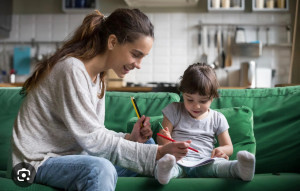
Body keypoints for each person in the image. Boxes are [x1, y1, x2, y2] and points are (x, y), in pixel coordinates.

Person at [11, 8, 191, 191]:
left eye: (142, 58)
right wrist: (157, 152)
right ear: (112, 41)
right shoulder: (71, 69)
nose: (138, 65)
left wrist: (131, 138)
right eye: (135, 54)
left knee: (147, 146)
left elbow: (94, 133)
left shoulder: (98, 78)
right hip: (33, 164)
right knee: (100, 169)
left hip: (74, 157)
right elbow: (93, 140)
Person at [155, 63, 256, 184]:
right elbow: (161, 139)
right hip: (178, 160)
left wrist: (221, 150)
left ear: (212, 98)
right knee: (167, 163)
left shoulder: (217, 118)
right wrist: (166, 140)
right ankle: (164, 173)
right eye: (190, 99)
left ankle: (240, 169)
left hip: (205, 162)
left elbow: (229, 147)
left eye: (203, 101)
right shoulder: (174, 110)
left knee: (219, 165)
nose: (196, 106)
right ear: (183, 94)